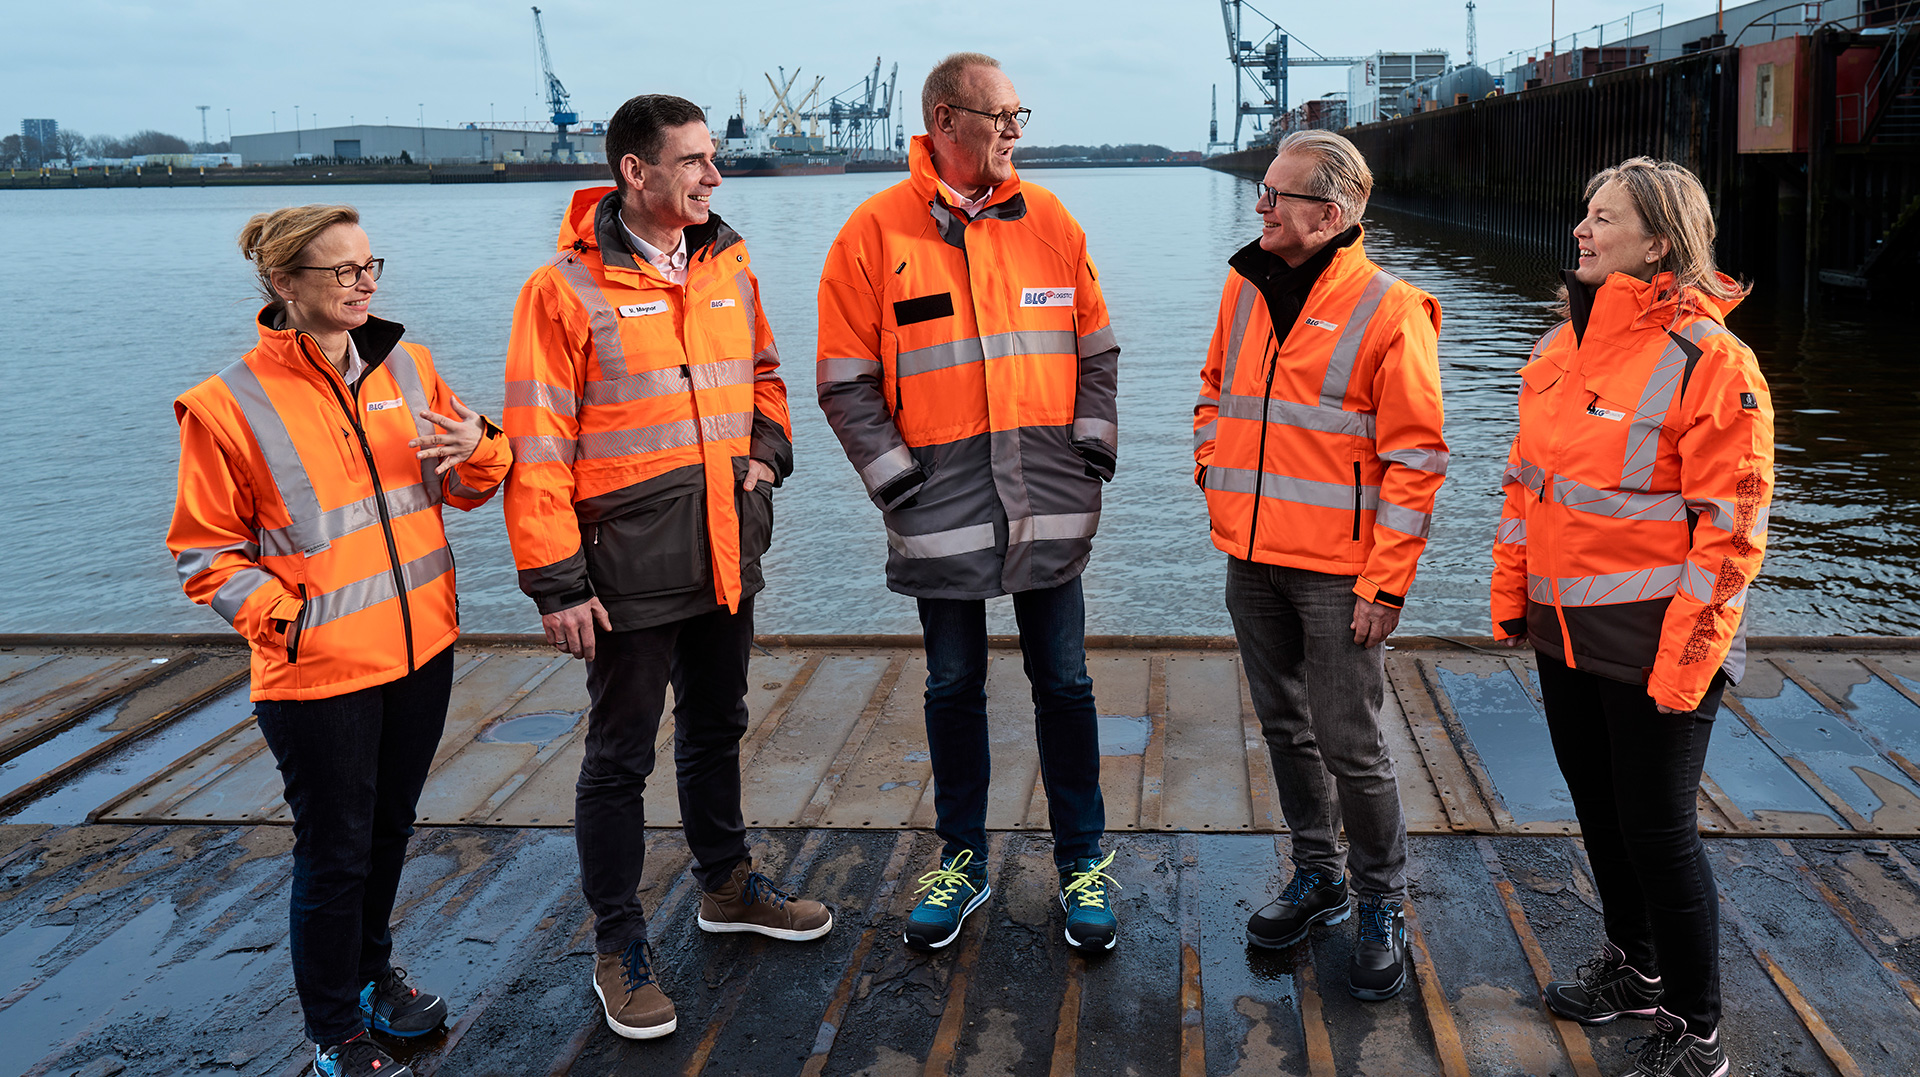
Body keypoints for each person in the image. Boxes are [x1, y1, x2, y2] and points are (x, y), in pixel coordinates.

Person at [503, 93, 831, 1042]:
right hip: (625, 563)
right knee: (617, 757)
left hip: (727, 541)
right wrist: (558, 582)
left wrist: (766, 459)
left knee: (719, 723)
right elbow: (536, 442)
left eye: (712, 158)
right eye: (692, 161)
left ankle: (725, 883)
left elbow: (765, 375)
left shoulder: (727, 265)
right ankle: (619, 944)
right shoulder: (562, 291)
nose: (713, 176)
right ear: (634, 172)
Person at [169, 204, 511, 1077]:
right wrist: (294, 624)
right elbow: (205, 554)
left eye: (370, 266)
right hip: (318, 675)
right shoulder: (226, 404)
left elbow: (473, 486)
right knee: (334, 849)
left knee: (388, 829)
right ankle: (333, 1031)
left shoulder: (410, 366)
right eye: (342, 270)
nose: (364, 283)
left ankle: (370, 977)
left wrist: (480, 443)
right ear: (285, 284)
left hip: (420, 648)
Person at [816, 52, 1123, 952]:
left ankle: (1083, 862)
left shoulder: (1051, 222)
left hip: (1050, 505)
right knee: (953, 684)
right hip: (937, 508)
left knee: (1063, 682)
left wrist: (1089, 454)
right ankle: (961, 860)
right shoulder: (873, 234)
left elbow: (1097, 352)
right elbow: (845, 381)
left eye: (1021, 114)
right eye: (1002, 116)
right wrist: (896, 483)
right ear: (947, 121)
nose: (1016, 132)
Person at [1491, 157, 1772, 1077]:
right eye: (1584, 212)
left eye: (1603, 218)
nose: (1582, 228)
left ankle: (1700, 1032)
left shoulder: (1712, 361)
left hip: (1660, 642)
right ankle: (1637, 967)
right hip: (1566, 632)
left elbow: (1729, 535)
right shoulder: (1559, 348)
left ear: (1658, 243)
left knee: (1658, 829)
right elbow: (1525, 490)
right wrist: (1513, 594)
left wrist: (1687, 664)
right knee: (1600, 811)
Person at [1193, 130, 1447, 1001]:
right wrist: (1209, 471)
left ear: (1329, 215)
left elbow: (1415, 460)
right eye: (1261, 191)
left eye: (1276, 195)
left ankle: (1382, 898)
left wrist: (1385, 581)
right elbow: (1212, 389)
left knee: (1353, 745)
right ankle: (1318, 872)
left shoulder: (1392, 309)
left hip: (1339, 572)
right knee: (1284, 729)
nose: (1258, 205)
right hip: (1250, 558)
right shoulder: (1244, 283)